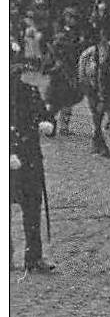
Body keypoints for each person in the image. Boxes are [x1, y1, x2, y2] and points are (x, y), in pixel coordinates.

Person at [11, 47, 56, 272]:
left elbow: (44, 114)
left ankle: (34, 258)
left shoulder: (30, 92)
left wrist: (46, 123)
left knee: (32, 206)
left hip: (29, 157)